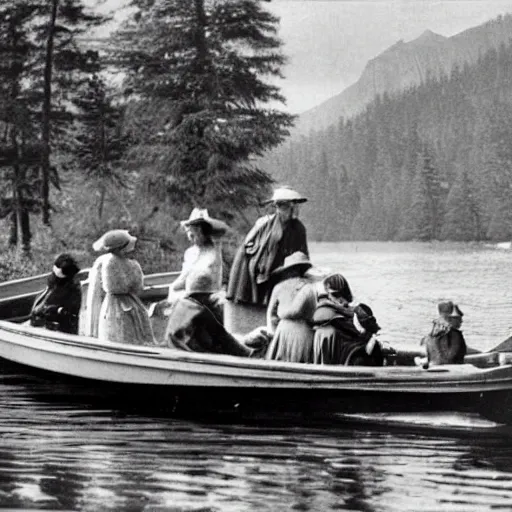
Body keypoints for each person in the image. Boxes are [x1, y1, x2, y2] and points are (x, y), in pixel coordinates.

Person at [227, 186, 309, 308]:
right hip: (265, 265)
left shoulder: (299, 228)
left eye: (292, 206)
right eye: (281, 206)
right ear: (277, 207)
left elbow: (302, 252)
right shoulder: (264, 223)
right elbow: (248, 245)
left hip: (288, 265)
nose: (289, 210)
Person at [82, 229, 155, 345]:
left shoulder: (111, 262)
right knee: (122, 328)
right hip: (123, 301)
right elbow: (133, 287)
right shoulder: (125, 264)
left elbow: (111, 286)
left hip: (118, 301)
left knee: (121, 329)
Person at [164, 272, 255, 357]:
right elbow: (223, 337)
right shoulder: (200, 311)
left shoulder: (179, 304)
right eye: (209, 295)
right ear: (205, 294)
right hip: (186, 353)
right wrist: (248, 353)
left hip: (172, 350)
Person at [312, 274, 382, 365]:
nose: (329, 297)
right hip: (350, 350)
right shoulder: (331, 310)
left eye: (331, 294)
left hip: (354, 351)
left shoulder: (352, 311)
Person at [265, 251, 317, 363]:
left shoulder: (278, 287)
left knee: (280, 363)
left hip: (283, 330)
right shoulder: (310, 287)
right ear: (302, 269)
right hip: (303, 331)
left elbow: (270, 312)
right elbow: (314, 314)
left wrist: (271, 330)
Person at [30, 253, 82, 334]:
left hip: (61, 330)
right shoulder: (52, 283)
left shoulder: (72, 290)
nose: (54, 278)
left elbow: (69, 314)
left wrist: (54, 310)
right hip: (44, 325)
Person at [421, 300, 467, 365]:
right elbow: (448, 358)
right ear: (450, 319)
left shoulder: (433, 332)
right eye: (458, 318)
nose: (461, 321)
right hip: (449, 369)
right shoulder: (453, 334)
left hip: (435, 366)